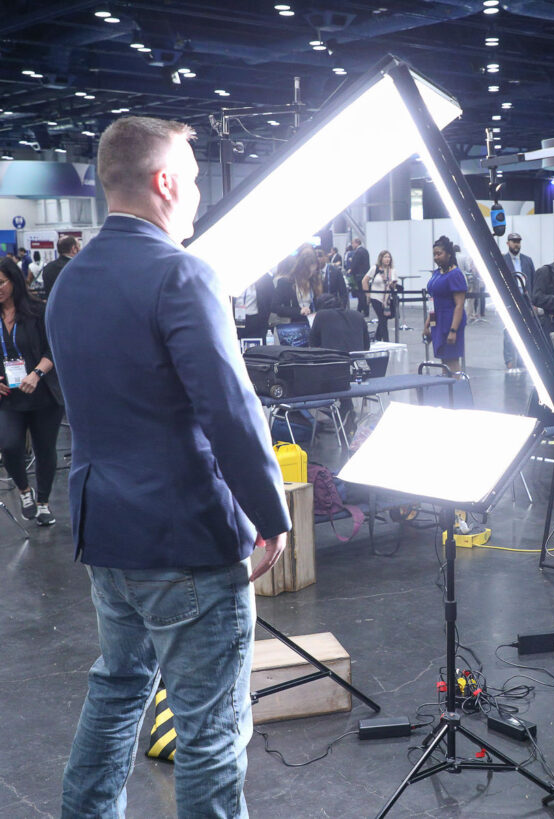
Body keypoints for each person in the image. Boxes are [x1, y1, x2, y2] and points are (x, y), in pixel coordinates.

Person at [48, 115, 289, 817]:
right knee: (211, 729)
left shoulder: (68, 281)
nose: (194, 195)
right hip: (185, 536)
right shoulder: (181, 273)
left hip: (106, 532)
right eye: (189, 179)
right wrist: (271, 515)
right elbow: (230, 409)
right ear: (163, 183)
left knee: (118, 689)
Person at [0, 265, 63, 526]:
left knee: (44, 448)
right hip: (8, 397)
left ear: (14, 280)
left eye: (2, 282)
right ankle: (25, 491)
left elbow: (55, 348)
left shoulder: (38, 311)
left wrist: (37, 373)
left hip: (42, 392)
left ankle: (44, 502)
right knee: (10, 445)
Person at [424, 235, 467, 373]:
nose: (436, 257)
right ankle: (448, 392)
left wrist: (453, 331)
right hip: (437, 322)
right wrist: (427, 326)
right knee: (444, 361)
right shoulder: (437, 273)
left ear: (448, 254)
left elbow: (459, 305)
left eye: (439, 254)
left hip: (450, 322)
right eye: (434, 255)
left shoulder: (455, 274)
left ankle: (456, 392)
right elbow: (432, 301)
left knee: (452, 361)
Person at [502, 232, 537, 369]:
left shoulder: (527, 260)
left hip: (526, 300)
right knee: (509, 332)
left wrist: (533, 302)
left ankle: (525, 362)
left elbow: (533, 282)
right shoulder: (502, 260)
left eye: (518, 241)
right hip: (510, 302)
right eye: (513, 241)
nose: (516, 244)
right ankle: (509, 362)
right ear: (508, 243)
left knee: (527, 331)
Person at [272, 246, 321, 321]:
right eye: (308, 272)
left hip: (313, 324)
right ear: (300, 269)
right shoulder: (285, 282)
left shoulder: (314, 281)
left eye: (313, 271)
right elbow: (275, 307)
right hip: (293, 324)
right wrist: (298, 311)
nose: (310, 274)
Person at [363, 249, 395, 342]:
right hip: (375, 297)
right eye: (385, 257)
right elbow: (364, 281)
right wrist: (367, 294)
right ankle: (386, 341)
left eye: (389, 257)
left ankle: (376, 338)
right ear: (381, 258)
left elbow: (393, 285)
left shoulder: (392, 271)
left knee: (383, 320)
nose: (387, 259)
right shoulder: (375, 268)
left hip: (387, 299)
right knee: (383, 319)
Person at [234, 269, 275, 341]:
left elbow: (270, 299)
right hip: (237, 319)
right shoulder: (233, 279)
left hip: (256, 319)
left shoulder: (264, 278)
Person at [349, 237, 371, 317]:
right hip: (365, 275)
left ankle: (363, 310)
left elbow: (355, 265)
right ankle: (362, 310)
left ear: (356, 243)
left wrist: (351, 271)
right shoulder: (365, 251)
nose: (352, 245)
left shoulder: (358, 252)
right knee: (364, 294)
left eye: (352, 243)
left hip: (359, 276)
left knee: (360, 294)